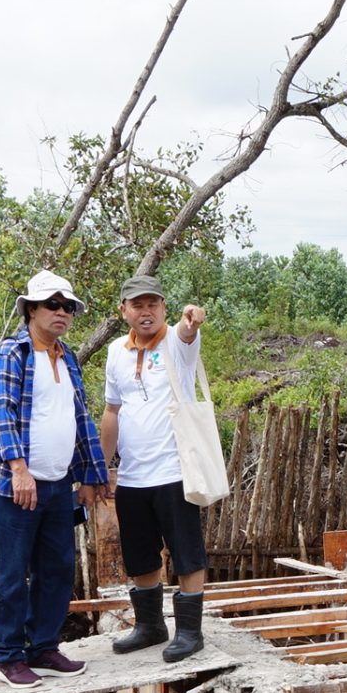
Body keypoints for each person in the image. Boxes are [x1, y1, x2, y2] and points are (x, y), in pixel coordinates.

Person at [0, 268, 107, 686]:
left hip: (57, 483)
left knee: (57, 568)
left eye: (67, 306)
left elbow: (79, 417)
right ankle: (9, 656)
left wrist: (89, 475)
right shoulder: (10, 354)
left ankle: (44, 647)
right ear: (31, 309)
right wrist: (18, 469)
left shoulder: (65, 356)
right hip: (17, 484)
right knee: (12, 572)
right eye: (52, 304)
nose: (62, 312)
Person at [99, 273, 210, 662]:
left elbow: (186, 331)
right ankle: (150, 626)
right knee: (140, 553)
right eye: (138, 305)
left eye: (153, 304)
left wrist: (191, 320)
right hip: (132, 475)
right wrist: (103, 466)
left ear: (163, 307)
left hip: (174, 470)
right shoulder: (116, 351)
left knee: (186, 551)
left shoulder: (176, 345)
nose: (146, 312)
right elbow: (112, 411)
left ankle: (190, 633)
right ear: (124, 311)